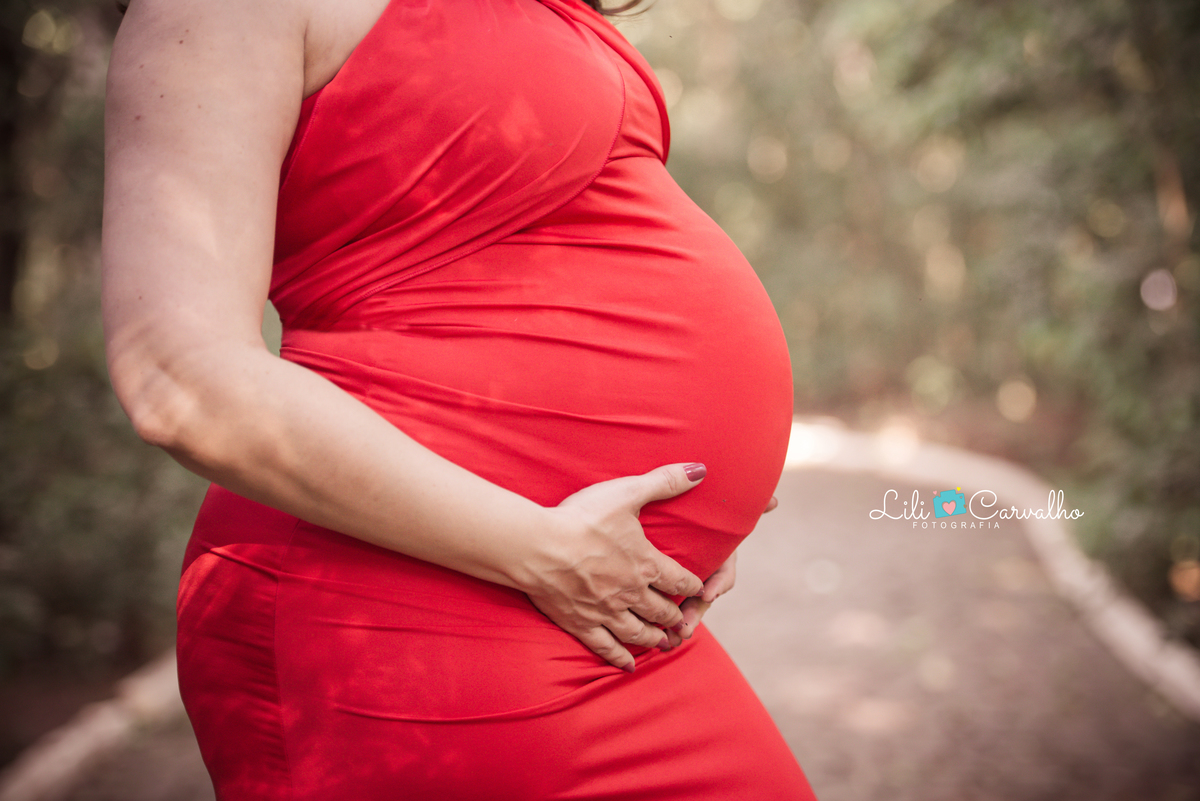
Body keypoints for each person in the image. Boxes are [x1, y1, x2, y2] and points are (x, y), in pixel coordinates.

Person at [101, 0, 818, 797]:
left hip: (586, 615)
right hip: (400, 610)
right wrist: (547, 551)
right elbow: (178, 376)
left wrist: (693, 513)